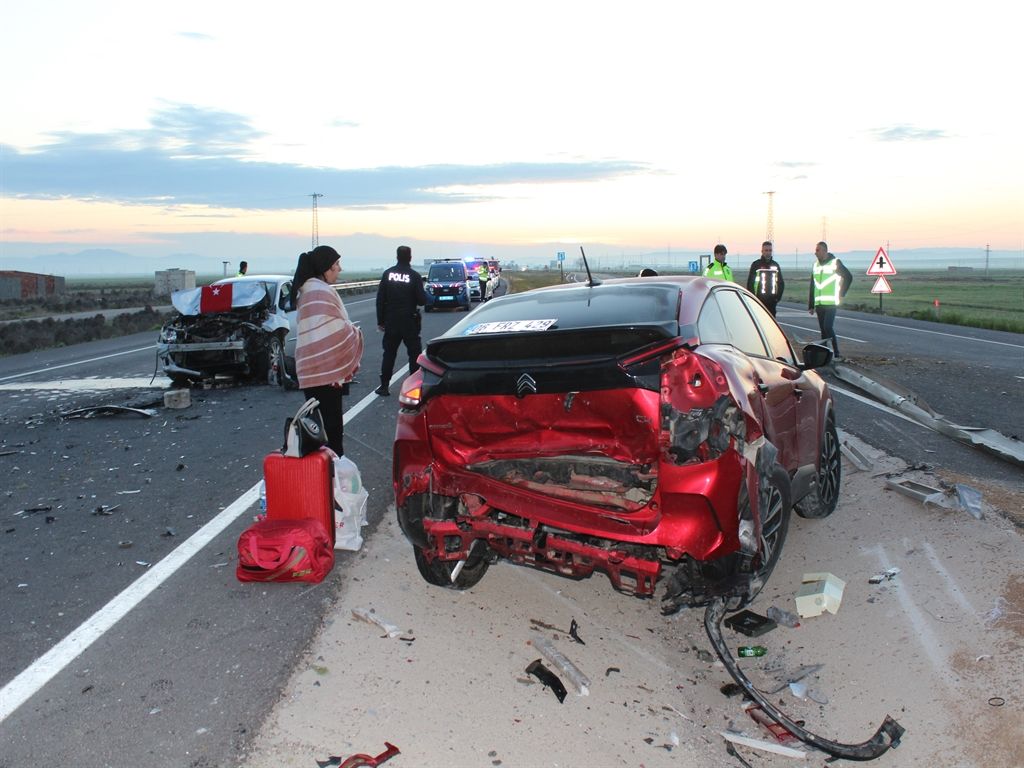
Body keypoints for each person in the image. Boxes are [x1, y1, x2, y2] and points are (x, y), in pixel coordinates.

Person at [292, 245, 363, 455]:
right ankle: (333, 477)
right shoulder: (322, 292)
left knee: (316, 430)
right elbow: (337, 332)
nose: (339, 269)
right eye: (336, 265)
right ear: (325, 268)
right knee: (332, 433)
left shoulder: (306, 290)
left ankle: (319, 477)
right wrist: (356, 334)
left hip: (309, 371)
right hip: (327, 374)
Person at [375, 245, 427, 396]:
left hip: (391, 321)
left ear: (397, 256)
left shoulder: (388, 274)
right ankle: (414, 388)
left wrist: (381, 320)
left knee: (389, 354)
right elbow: (422, 300)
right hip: (409, 321)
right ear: (410, 257)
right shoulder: (414, 276)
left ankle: (384, 386)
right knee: (414, 354)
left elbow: (380, 299)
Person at [807, 241, 853, 360]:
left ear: (824, 251)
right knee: (823, 330)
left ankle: (836, 353)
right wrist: (811, 305)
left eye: (817, 250)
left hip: (831, 302)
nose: (815, 252)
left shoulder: (835, 263)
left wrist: (842, 293)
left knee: (828, 327)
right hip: (819, 304)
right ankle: (823, 356)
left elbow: (848, 276)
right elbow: (813, 285)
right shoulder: (816, 265)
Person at [745, 241, 785, 316]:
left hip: (772, 303)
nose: (768, 252)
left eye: (770, 250)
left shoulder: (775, 265)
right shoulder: (756, 265)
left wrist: (777, 298)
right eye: (766, 250)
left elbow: (781, 283)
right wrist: (754, 299)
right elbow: (750, 283)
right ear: (762, 251)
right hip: (759, 302)